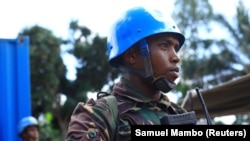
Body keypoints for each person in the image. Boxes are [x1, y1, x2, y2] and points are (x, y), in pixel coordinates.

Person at [66, 6, 196, 141]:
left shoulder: (178, 113)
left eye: (175, 48)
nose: (176, 57)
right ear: (132, 56)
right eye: (164, 46)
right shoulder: (99, 115)